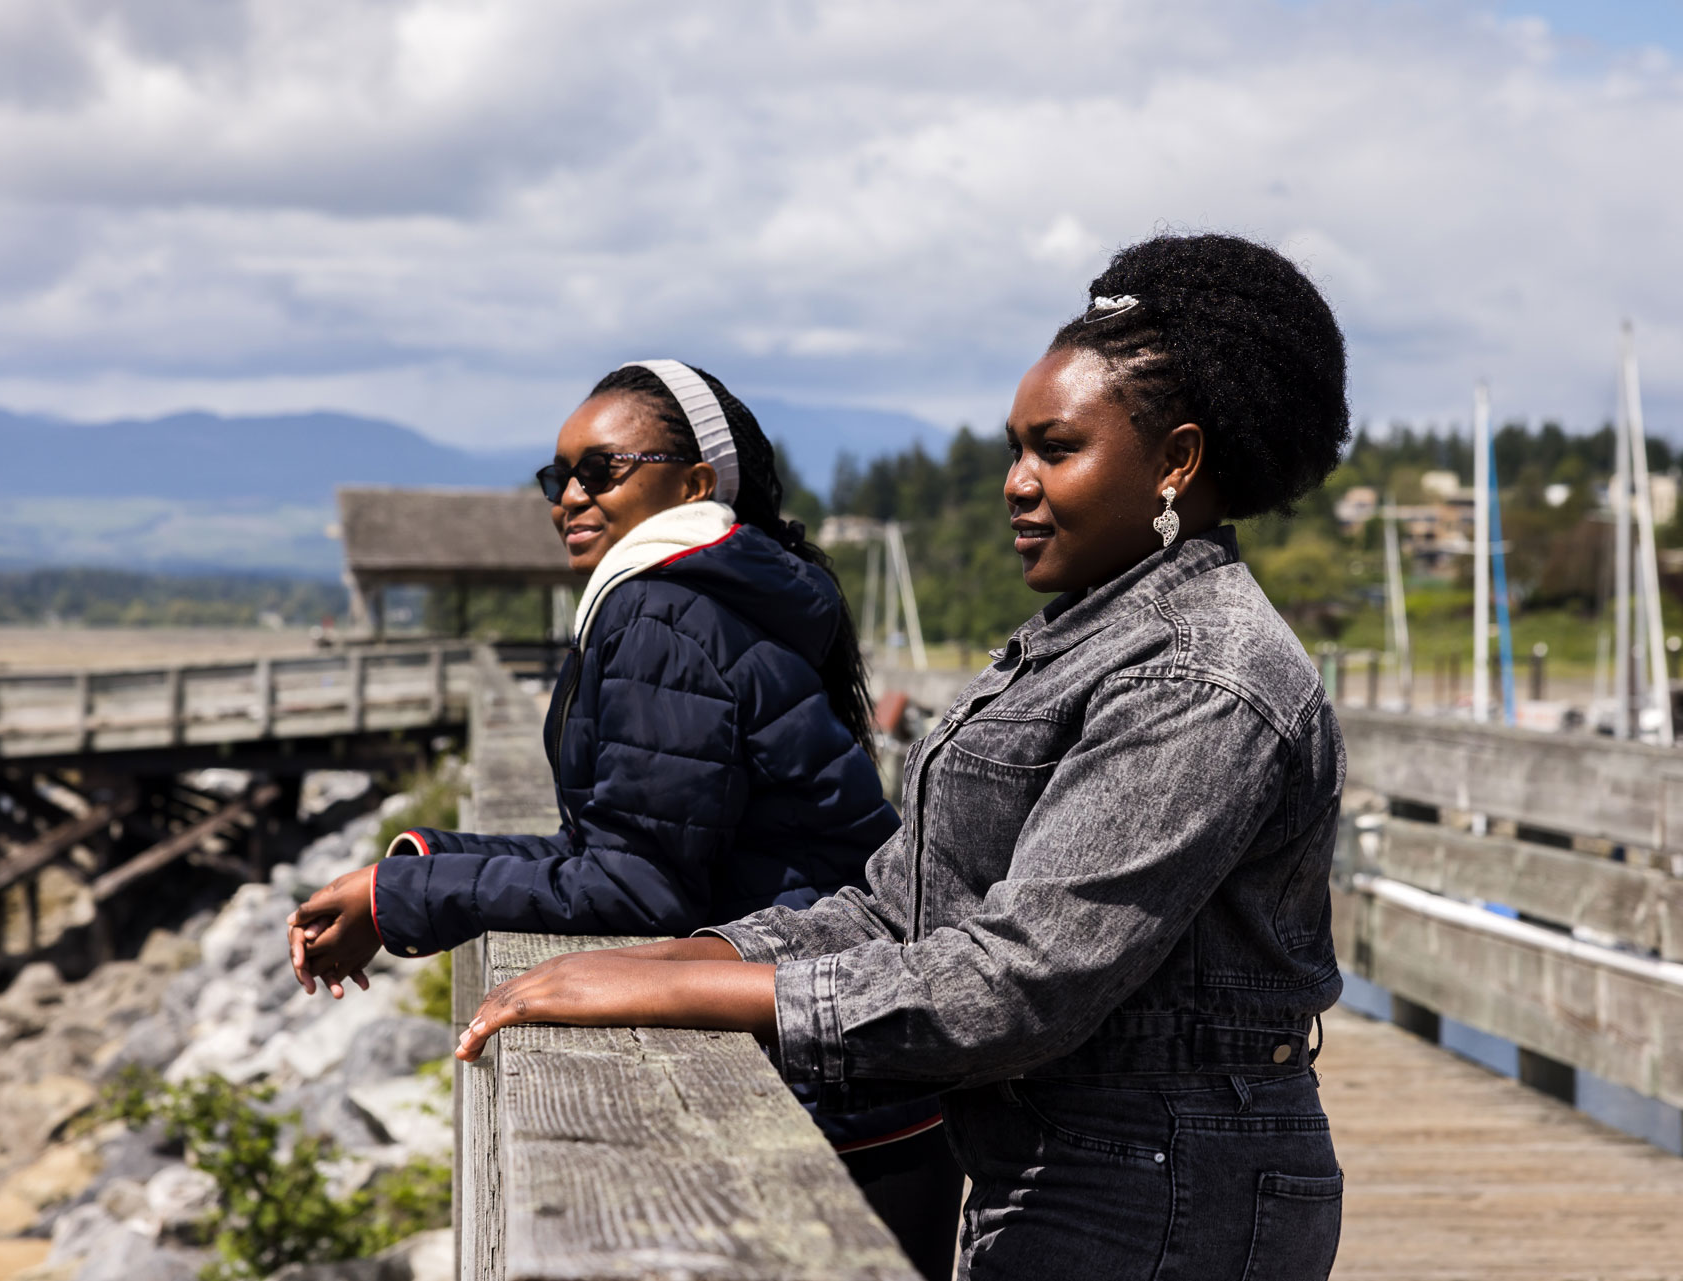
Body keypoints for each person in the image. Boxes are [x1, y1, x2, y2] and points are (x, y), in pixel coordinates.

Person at [452, 233, 1354, 1280]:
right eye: (1014, 449)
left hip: (1165, 1190)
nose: (1015, 483)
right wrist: (677, 958)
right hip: (1066, 1162)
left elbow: (1019, 982)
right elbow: (896, 906)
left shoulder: (1198, 678)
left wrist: (691, 996)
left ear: (1176, 462)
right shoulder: (1083, 638)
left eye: (1055, 449)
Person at [286, 360, 965, 1278]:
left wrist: (401, 892)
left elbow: (640, 888)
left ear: (692, 484)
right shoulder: (712, 596)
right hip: (870, 1082)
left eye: (600, 469)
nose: (567, 494)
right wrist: (412, 864)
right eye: (554, 475)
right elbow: (625, 842)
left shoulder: (661, 614)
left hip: (823, 1094)